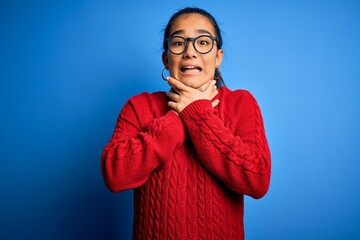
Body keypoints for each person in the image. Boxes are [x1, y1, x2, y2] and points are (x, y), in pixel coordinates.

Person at [101, 7, 271, 240]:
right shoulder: (139, 106)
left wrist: (197, 114)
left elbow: (257, 180)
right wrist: (179, 116)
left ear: (218, 56)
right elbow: (115, 174)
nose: (190, 52)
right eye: (179, 43)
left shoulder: (241, 104)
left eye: (202, 42)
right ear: (166, 58)